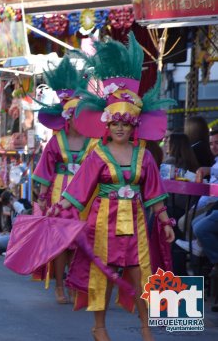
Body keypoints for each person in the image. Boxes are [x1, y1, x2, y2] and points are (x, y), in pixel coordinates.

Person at [53, 33, 175, 341]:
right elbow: (78, 189)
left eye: (125, 123)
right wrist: (58, 208)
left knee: (140, 273)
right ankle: (99, 327)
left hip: (135, 223)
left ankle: (147, 327)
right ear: (107, 125)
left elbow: (154, 193)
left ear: (134, 125)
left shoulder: (144, 156)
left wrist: (164, 221)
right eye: (115, 123)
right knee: (101, 277)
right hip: (102, 224)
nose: (120, 127)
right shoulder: (98, 155)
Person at [30, 56, 97, 304]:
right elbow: (45, 172)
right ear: (66, 117)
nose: (76, 120)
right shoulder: (55, 142)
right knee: (60, 244)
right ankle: (59, 285)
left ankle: (76, 283)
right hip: (60, 195)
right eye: (72, 116)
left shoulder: (95, 142)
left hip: (86, 199)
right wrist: (42, 198)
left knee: (81, 243)